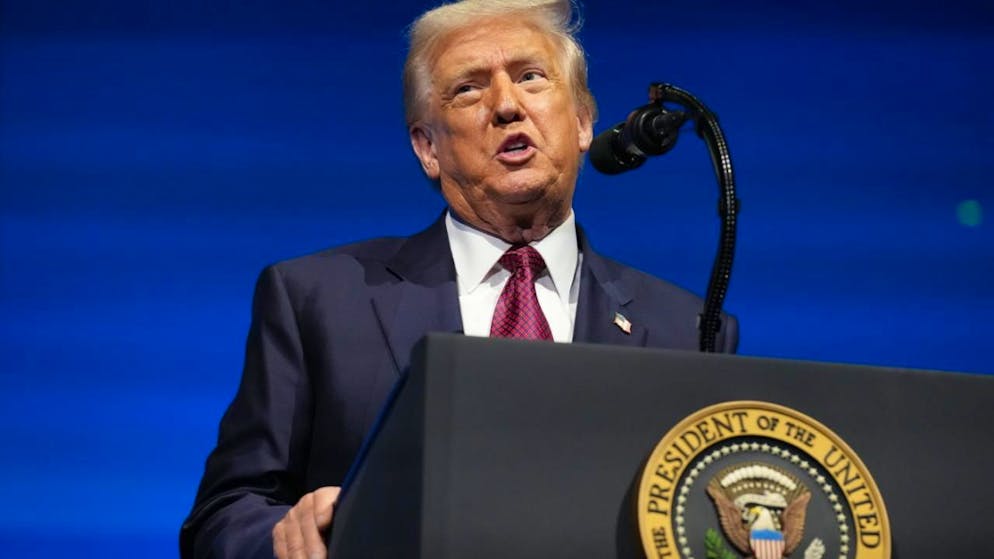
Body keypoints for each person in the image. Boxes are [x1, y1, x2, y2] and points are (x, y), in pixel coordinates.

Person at [180, 0, 738, 557]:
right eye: (468, 90)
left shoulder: (686, 331)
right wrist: (283, 537)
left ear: (583, 122)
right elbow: (224, 515)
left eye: (531, 77)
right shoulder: (316, 300)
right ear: (428, 147)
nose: (506, 106)